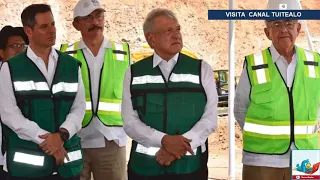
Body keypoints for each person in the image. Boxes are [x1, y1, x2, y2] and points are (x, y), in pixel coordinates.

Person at [122, 8, 218, 180]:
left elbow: (210, 119)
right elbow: (129, 122)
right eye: (168, 31)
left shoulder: (202, 69)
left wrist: (177, 149)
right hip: (145, 168)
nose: (176, 35)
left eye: (178, 29)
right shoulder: (133, 72)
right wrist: (163, 140)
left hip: (190, 168)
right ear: (151, 38)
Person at [234, 1, 320, 180]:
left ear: (298, 29)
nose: (283, 29)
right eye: (276, 24)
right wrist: (262, 138)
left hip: (306, 156)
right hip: (261, 158)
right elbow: (240, 108)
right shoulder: (254, 64)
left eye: (289, 24)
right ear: (267, 32)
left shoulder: (315, 62)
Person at [0, 4, 86, 180]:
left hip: (68, 165)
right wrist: (48, 141)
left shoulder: (71, 65)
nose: (52, 30)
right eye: (44, 26)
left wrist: (62, 135)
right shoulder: (11, 68)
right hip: (29, 169)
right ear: (29, 31)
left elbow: (79, 108)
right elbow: (9, 114)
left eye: (53, 24)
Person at [60, 0, 130, 180]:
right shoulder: (64, 54)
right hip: (74, 140)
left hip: (111, 139)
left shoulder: (122, 52)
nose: (95, 22)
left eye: (99, 16)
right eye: (88, 18)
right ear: (76, 24)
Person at [0, 25, 29, 180]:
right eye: (14, 46)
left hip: (22, 157)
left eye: (23, 46)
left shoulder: (32, 80)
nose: (20, 50)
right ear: (1, 52)